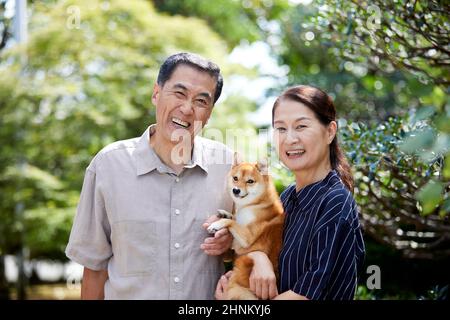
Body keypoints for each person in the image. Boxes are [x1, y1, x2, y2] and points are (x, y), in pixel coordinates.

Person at [66, 52, 235, 299]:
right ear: (156, 93)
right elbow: (94, 268)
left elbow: (253, 245)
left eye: (201, 101)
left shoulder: (229, 167)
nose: (187, 109)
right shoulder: (108, 166)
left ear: (209, 113)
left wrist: (231, 241)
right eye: (179, 93)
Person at [215, 85, 365, 300]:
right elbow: (259, 249)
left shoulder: (335, 201)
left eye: (301, 126)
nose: (290, 139)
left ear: (330, 131)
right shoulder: (286, 199)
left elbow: (306, 294)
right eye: (281, 129)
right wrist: (258, 259)